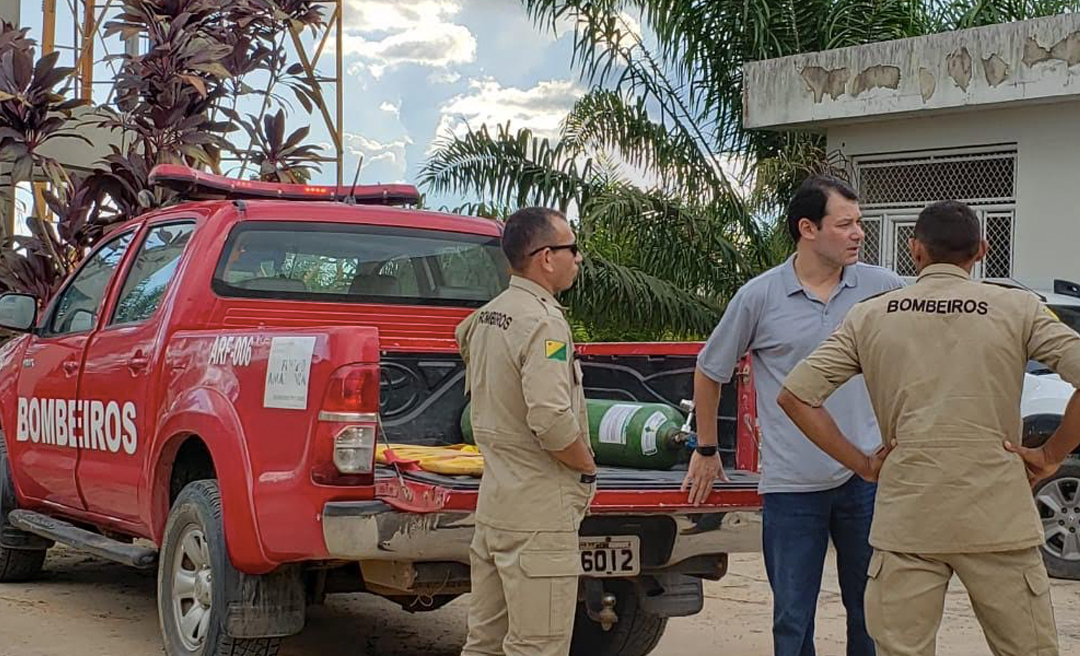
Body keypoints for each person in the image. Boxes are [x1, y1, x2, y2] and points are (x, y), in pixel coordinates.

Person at [778, 199, 1080, 656]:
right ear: (981, 250)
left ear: (914, 249)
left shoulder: (871, 316)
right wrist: (1051, 454)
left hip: (908, 519)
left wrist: (861, 463)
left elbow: (795, 396)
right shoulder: (1019, 309)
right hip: (997, 517)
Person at [684, 175, 902, 656]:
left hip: (866, 480)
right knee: (791, 619)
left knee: (872, 612)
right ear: (807, 228)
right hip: (791, 486)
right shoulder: (759, 296)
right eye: (844, 224)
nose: (858, 233)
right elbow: (710, 369)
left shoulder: (883, 288)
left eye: (859, 223)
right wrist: (705, 448)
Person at [455, 206, 597, 656]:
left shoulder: (488, 316)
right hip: (539, 514)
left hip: (497, 507)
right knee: (538, 646)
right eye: (571, 248)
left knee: (485, 644)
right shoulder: (545, 323)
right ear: (545, 257)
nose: (578, 258)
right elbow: (552, 420)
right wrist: (586, 467)